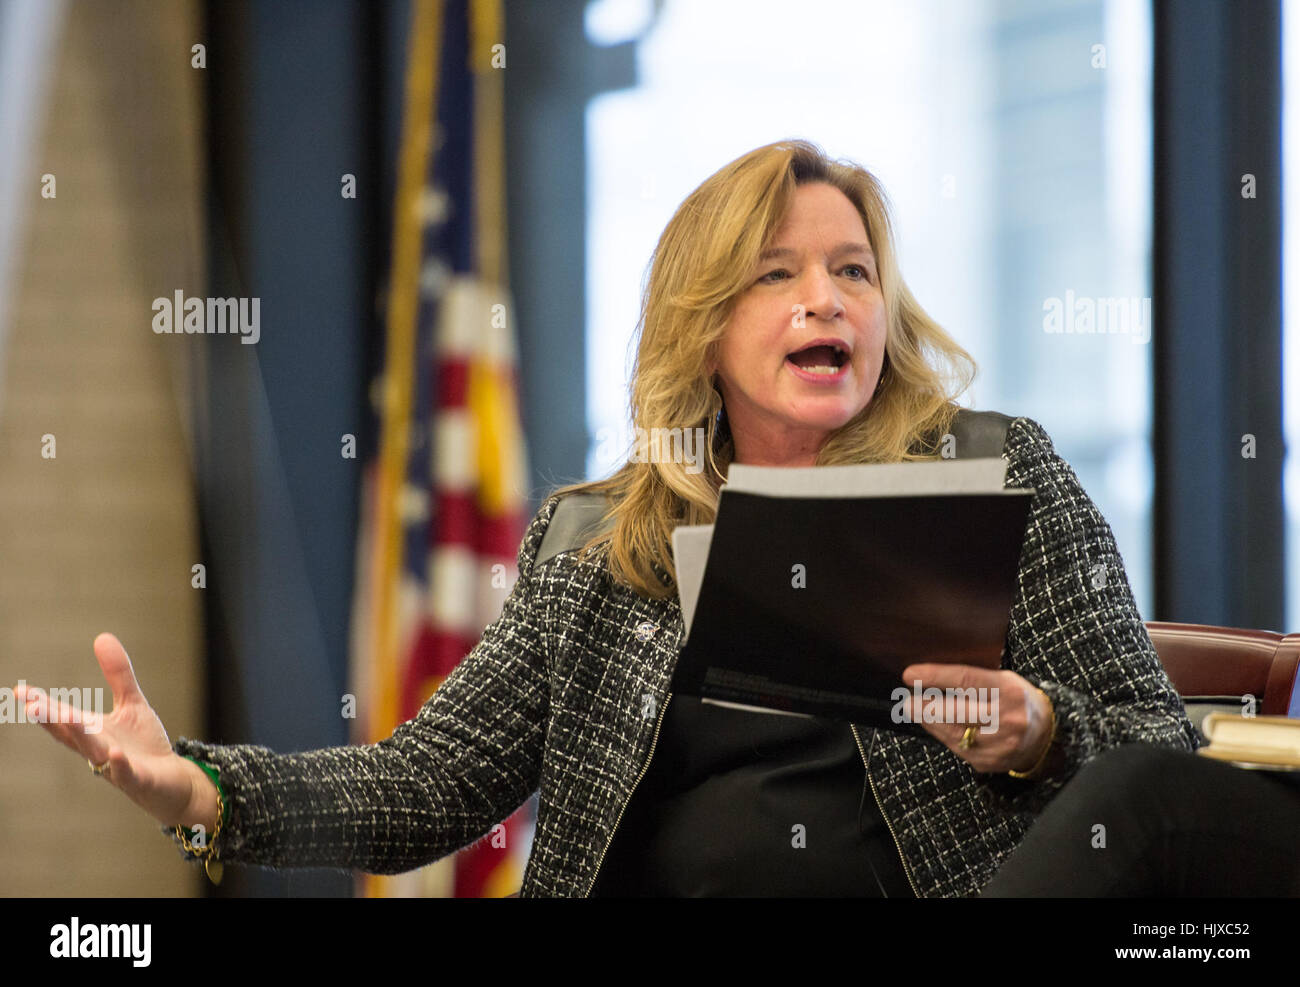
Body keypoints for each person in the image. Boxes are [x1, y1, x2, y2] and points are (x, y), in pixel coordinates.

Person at [13, 139, 1200, 897]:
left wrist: (1043, 733)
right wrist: (205, 791)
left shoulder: (1000, 477)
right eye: (774, 273)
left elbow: (1162, 760)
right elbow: (424, 786)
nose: (824, 298)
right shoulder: (600, 538)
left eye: (852, 269)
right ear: (704, 325)